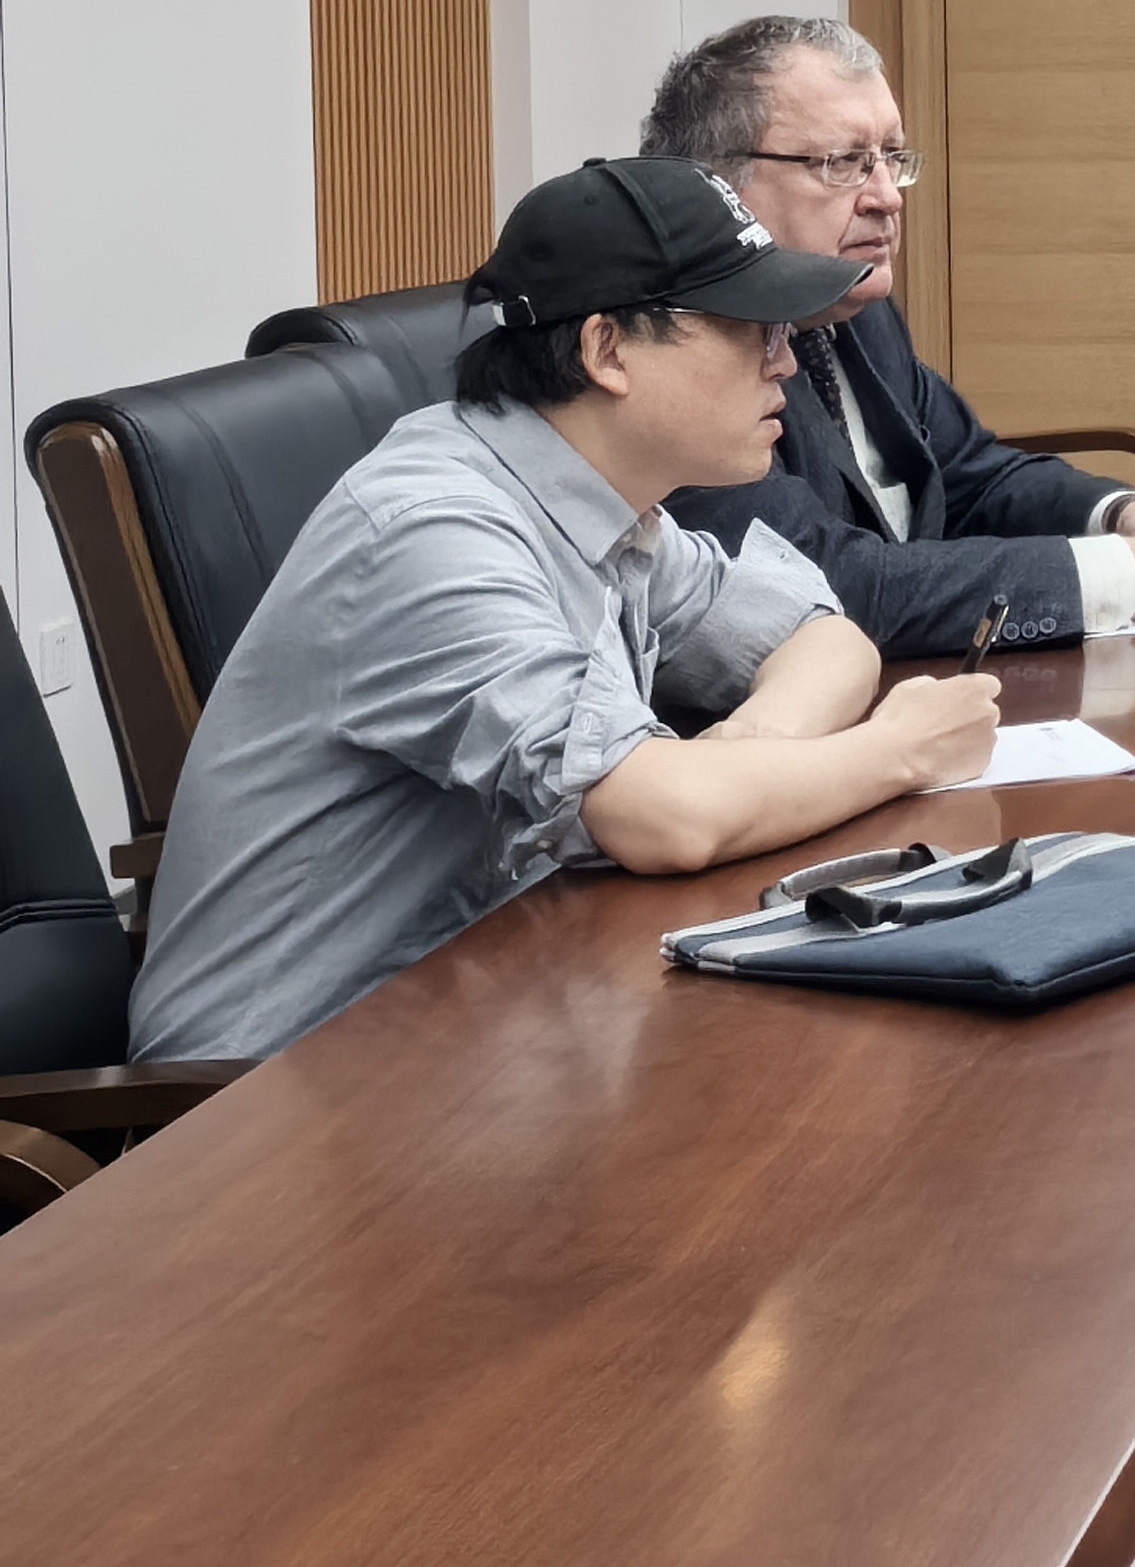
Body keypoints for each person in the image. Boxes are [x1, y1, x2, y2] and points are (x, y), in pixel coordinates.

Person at [129, 158, 1001, 1062]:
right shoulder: (434, 531)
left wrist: (745, 752)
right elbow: (662, 819)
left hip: (492, 1014)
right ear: (607, 350)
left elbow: (826, 636)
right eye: (754, 329)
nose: (784, 360)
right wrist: (899, 750)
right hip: (275, 1088)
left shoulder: (596, 493)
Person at [643, 16, 1135, 656]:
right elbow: (821, 585)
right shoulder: (680, 350)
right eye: (844, 163)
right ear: (717, 184)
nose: (887, 198)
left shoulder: (857, 305)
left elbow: (967, 476)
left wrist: (1127, 518)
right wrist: (1134, 575)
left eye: (891, 158)